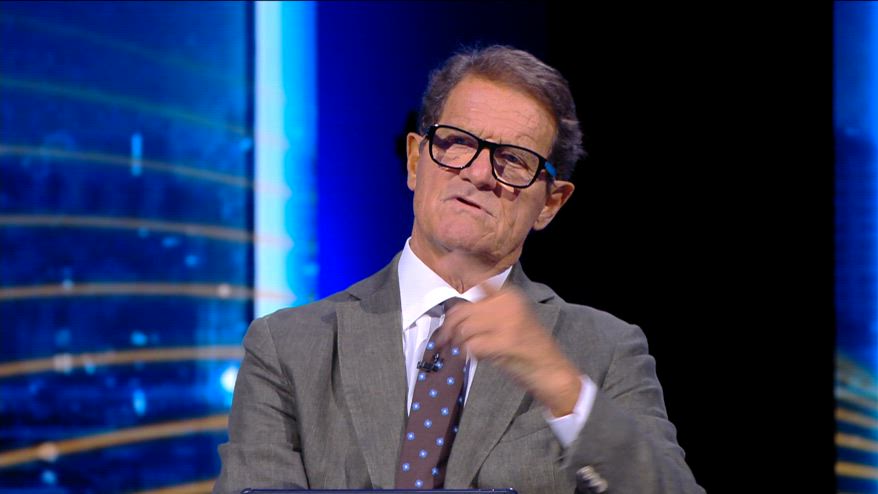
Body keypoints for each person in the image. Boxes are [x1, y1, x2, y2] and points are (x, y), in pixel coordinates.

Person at [215, 45, 703, 494]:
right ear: (415, 160)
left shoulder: (606, 349)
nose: (478, 173)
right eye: (457, 142)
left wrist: (560, 385)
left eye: (514, 159)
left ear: (551, 203)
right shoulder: (288, 347)